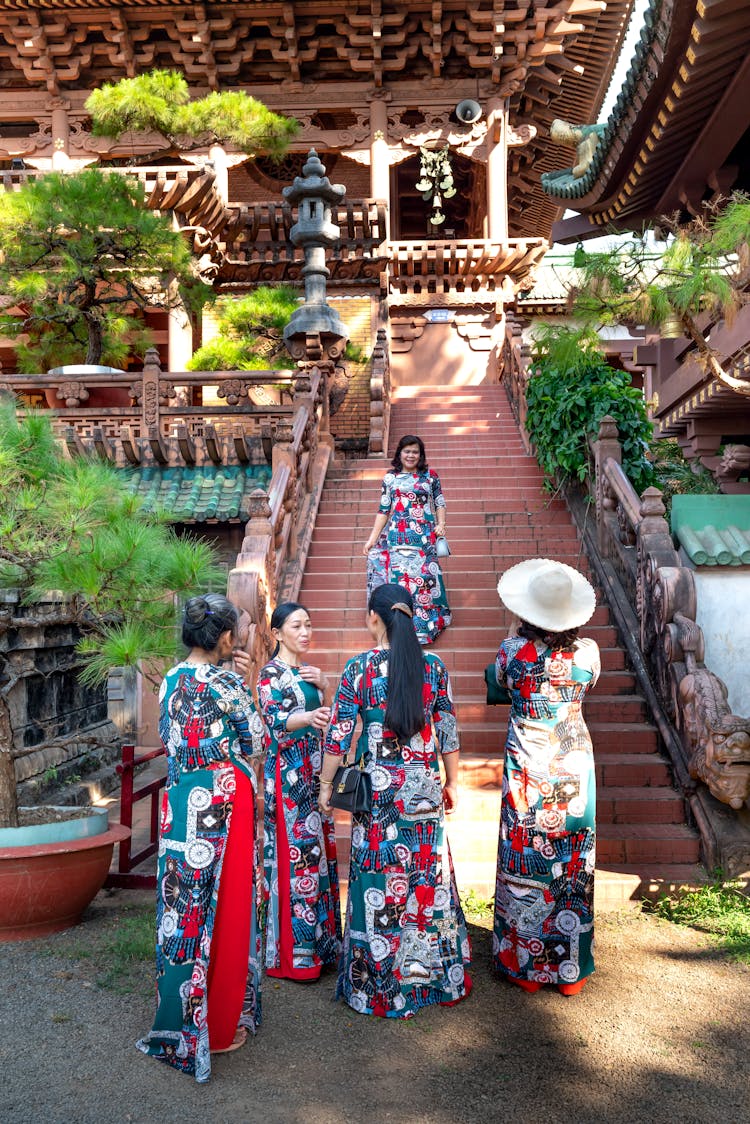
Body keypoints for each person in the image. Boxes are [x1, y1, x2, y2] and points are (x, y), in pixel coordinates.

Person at [318, 582, 472, 1018]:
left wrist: (326, 786)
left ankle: (377, 985)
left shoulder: (359, 670)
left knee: (377, 884)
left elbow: (338, 735)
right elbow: (448, 732)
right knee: (427, 882)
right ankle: (432, 980)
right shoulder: (434, 667)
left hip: (380, 797)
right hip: (424, 791)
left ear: (374, 618)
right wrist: (454, 783)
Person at [136, 594, 266, 1083]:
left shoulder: (170, 678)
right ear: (226, 637)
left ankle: (177, 1023)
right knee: (227, 909)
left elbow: (170, 737)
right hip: (223, 802)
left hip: (179, 802)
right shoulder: (228, 681)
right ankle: (217, 1023)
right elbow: (256, 740)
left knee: (182, 911)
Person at [492, 558, 600, 996]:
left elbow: (500, 683)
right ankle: (570, 967)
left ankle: (524, 966)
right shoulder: (588, 653)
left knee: (525, 858)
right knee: (572, 860)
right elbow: (585, 686)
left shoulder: (510, 653)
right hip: (573, 762)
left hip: (529, 766)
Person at [257, 602, 341, 981]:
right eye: (296, 626)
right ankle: (293, 955)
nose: (305, 632)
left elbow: (328, 718)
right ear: (277, 634)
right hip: (287, 776)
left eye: (309, 624)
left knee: (317, 854)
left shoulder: (308, 672)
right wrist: (308, 717)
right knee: (296, 859)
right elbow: (274, 724)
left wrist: (325, 688)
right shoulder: (268, 676)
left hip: (312, 769)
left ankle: (321, 946)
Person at [362, 434, 451, 645]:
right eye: (407, 451)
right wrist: (372, 539)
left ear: (420, 455)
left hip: (425, 536)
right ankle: (401, 626)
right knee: (401, 581)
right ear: (400, 454)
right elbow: (384, 509)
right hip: (397, 537)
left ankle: (425, 627)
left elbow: (439, 502)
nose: (411, 455)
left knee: (425, 581)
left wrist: (441, 524)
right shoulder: (390, 478)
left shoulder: (430, 476)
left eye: (415, 452)